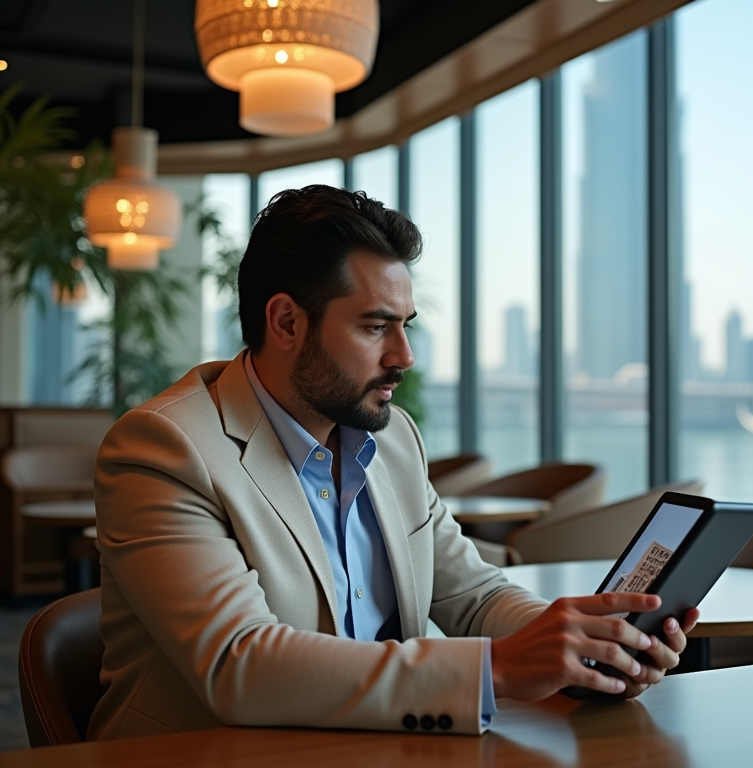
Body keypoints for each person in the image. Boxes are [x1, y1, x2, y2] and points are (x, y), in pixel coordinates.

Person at [88, 185, 699, 740]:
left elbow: (476, 595)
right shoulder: (165, 448)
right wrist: (503, 666)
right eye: (376, 327)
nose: (404, 355)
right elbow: (240, 663)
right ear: (286, 322)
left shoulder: (394, 439)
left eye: (406, 325)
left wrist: (584, 648)